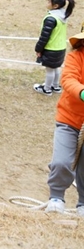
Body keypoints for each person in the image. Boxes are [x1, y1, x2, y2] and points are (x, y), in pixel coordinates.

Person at [44, 24, 84, 215]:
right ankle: (56, 197)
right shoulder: (75, 57)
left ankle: (83, 203)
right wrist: (82, 93)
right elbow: (68, 79)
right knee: (61, 161)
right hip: (70, 120)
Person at [34, 0, 76, 96]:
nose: (47, 3)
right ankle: (56, 86)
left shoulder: (51, 19)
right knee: (56, 67)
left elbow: (45, 37)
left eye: (49, 1)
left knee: (49, 70)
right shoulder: (63, 15)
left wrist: (38, 49)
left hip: (51, 48)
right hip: (61, 47)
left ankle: (47, 89)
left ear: (55, 5)